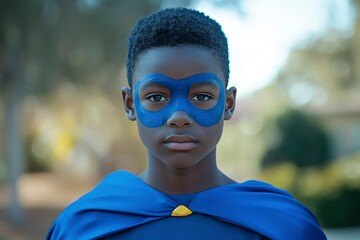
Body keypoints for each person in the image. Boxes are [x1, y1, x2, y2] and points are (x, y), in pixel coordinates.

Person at [46, 7, 327, 240]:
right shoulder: (79, 229)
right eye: (156, 96)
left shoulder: (286, 227)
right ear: (130, 104)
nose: (179, 116)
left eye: (202, 96)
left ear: (228, 104)